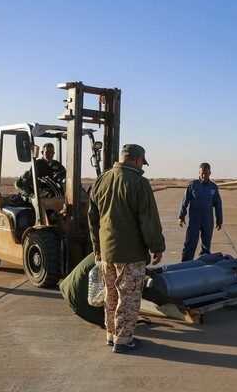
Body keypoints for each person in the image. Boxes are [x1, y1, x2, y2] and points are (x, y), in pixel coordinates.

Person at [88, 144, 165, 353]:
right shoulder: (139, 183)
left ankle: (111, 334)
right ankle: (123, 340)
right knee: (128, 297)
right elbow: (149, 220)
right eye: (142, 163)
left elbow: (92, 217)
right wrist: (157, 246)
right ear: (138, 160)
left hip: (107, 252)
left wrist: (97, 246)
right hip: (130, 253)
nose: (142, 167)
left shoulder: (101, 180)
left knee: (111, 295)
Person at [178, 162, 223, 261]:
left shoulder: (213, 187)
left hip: (208, 221)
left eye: (206, 173)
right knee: (190, 243)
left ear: (210, 173)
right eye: (202, 173)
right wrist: (181, 216)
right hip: (194, 220)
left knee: (206, 246)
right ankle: (185, 263)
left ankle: (204, 264)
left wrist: (219, 220)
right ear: (199, 172)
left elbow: (218, 205)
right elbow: (184, 202)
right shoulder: (192, 185)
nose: (204, 176)